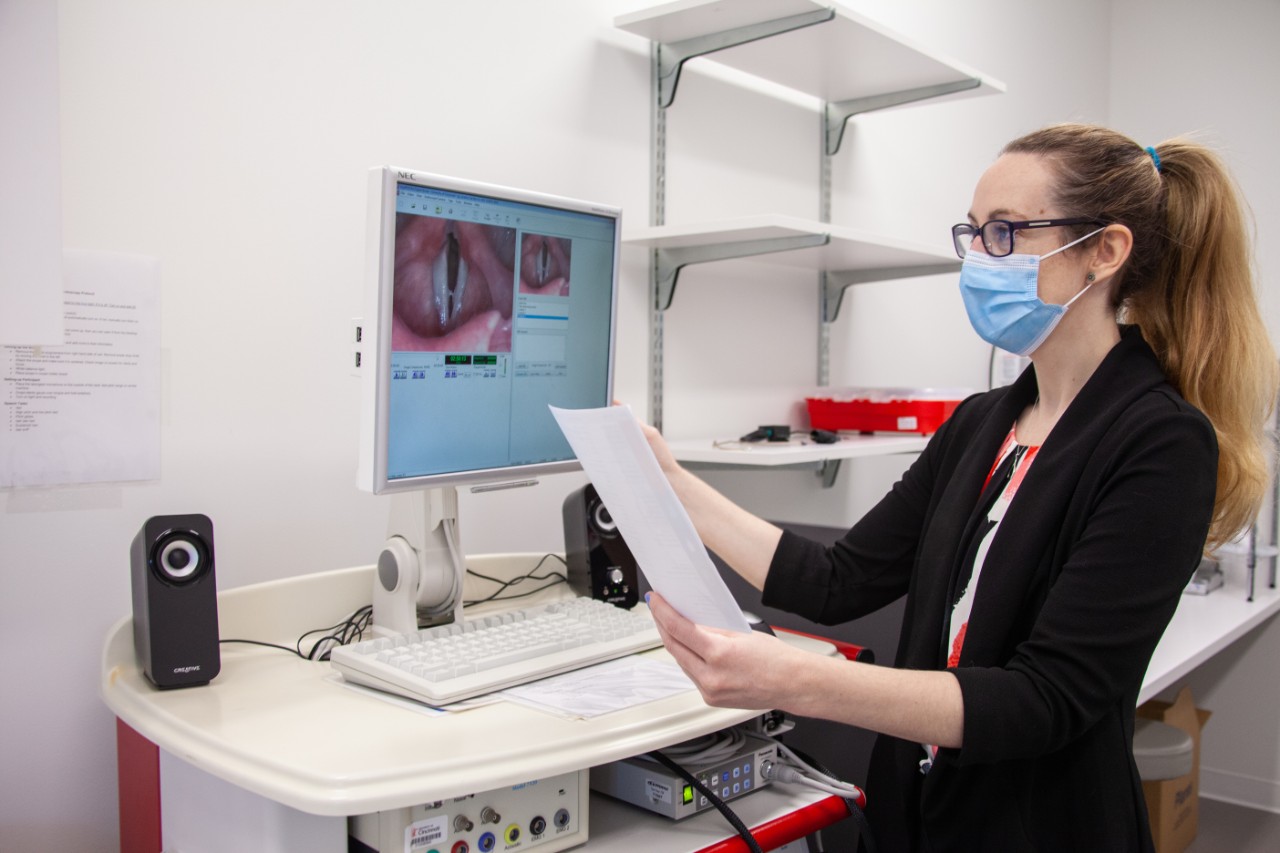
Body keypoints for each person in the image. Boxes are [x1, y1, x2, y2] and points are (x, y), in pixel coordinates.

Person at [640, 123, 1277, 851]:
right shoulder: (981, 424)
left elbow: (1044, 699)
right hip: (914, 820)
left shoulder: (1160, 442)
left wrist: (792, 680)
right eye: (972, 234)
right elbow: (837, 580)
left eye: (1006, 233)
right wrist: (669, 481)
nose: (979, 259)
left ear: (1104, 252)